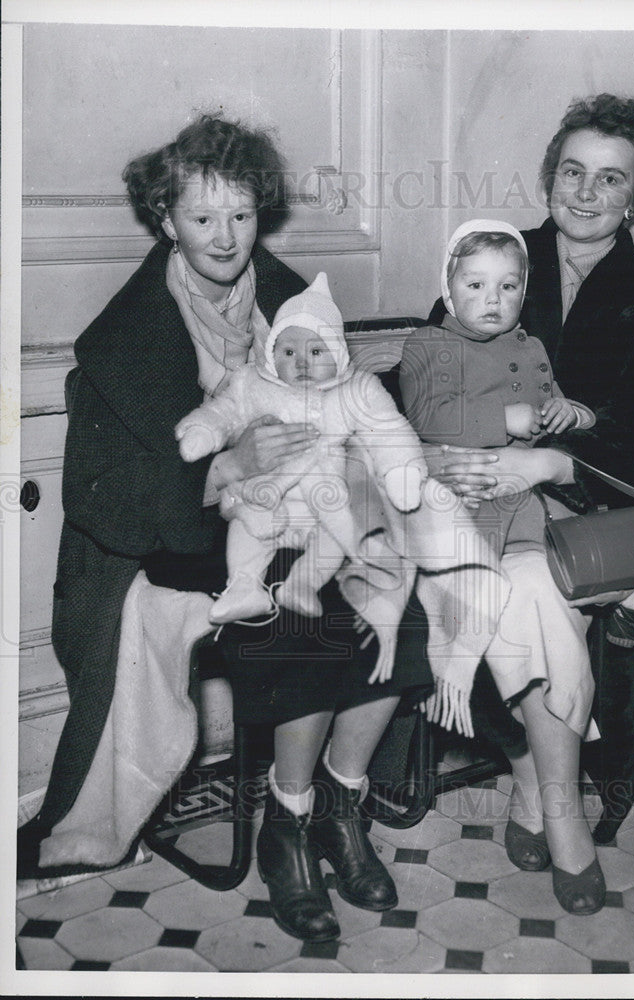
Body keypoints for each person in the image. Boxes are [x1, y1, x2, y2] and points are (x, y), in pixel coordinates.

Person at [19, 114, 435, 944]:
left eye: (240, 215)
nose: (224, 236)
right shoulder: (121, 336)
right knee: (304, 623)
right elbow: (98, 497)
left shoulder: (294, 302)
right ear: (164, 217)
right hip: (180, 540)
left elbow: (355, 411)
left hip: (305, 515)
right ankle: (287, 827)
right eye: (201, 216)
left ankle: (339, 808)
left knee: (402, 604)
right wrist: (226, 470)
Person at [423, 94, 634, 915]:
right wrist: (482, 461)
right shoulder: (491, 257)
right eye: (572, 171)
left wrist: (546, 461)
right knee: (524, 590)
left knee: (537, 589)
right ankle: (558, 810)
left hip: (578, 506)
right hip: (471, 495)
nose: (585, 193)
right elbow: (437, 382)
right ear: (551, 177)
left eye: (609, 179)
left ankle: (537, 796)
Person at [403, 219, 634, 658]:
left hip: (528, 485)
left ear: (523, 295)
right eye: (475, 285)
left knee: (585, 527)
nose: (492, 298)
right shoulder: (429, 345)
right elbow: (428, 415)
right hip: (472, 489)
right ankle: (633, 600)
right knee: (550, 534)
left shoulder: (530, 348)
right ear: (448, 288)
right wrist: (505, 418)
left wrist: (575, 414)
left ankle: (632, 596)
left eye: (508, 287)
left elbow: (552, 405)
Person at [176, 271, 427, 633]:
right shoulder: (254, 384)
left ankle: (302, 585)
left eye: (316, 351)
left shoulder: (356, 390)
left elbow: (388, 430)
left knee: (335, 540)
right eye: (288, 352)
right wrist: (204, 429)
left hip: (322, 504)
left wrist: (403, 472)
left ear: (338, 355)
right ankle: (244, 587)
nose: (302, 363)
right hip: (267, 498)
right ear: (272, 353)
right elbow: (226, 412)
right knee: (245, 530)